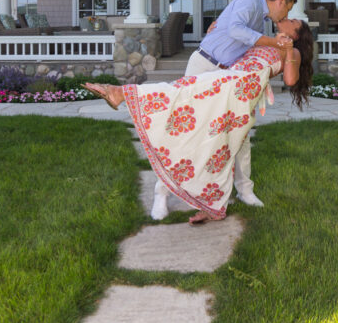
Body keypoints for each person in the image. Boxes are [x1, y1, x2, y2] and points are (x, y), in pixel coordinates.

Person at [84, 17, 313, 224]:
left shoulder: (292, 51)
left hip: (241, 86)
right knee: (218, 147)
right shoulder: (263, 41)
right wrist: (217, 32)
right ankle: (210, 205)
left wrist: (289, 49)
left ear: (297, 33)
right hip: (231, 82)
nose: (288, 18)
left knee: (186, 89)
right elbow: (230, 49)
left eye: (294, 21)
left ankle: (124, 93)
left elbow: (291, 80)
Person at [151, 0, 298, 218]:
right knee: (188, 132)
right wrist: (273, 42)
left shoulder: (259, 21)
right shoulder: (249, 0)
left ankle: (244, 190)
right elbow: (236, 31)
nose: (285, 16)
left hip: (227, 76)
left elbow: (239, 39)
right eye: (287, 10)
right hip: (203, 66)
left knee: (239, 132)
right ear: (281, 1)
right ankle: (161, 194)